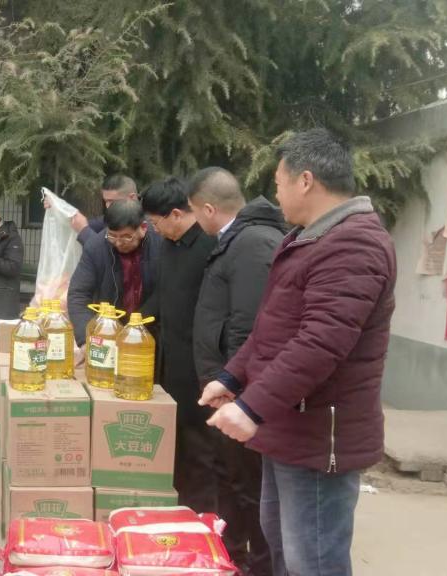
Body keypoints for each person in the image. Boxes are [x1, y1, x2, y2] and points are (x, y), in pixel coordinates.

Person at [200, 129, 396, 576]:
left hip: (318, 434)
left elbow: (321, 343)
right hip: (289, 424)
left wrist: (251, 407)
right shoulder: (309, 239)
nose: (276, 194)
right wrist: (231, 378)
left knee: (314, 560)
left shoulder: (354, 245)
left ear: (305, 180)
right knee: (284, 549)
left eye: (278, 182)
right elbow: (271, 329)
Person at [188, 167, 284, 576]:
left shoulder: (252, 243)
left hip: (242, 393)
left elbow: (251, 326)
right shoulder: (237, 240)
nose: (196, 222)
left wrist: (235, 383)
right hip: (228, 388)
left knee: (252, 486)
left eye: (195, 212)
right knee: (232, 478)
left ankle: (259, 564)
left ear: (209, 209)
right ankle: (233, 555)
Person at [141, 176, 219, 514]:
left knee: (200, 445)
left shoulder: (209, 245)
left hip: (200, 365)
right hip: (171, 360)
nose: (155, 231)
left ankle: (201, 516)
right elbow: (162, 296)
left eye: (155, 223)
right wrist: (134, 322)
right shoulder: (170, 246)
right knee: (177, 441)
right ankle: (178, 507)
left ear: (175, 214)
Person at [68, 199, 161, 347]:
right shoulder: (96, 247)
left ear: (143, 228)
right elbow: (78, 294)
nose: (118, 243)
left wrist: (136, 327)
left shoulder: (160, 242)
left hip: (151, 335)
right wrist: (86, 340)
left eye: (126, 237)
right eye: (112, 236)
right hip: (108, 333)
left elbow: (166, 290)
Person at [44, 174, 139, 246]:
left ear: (132, 198)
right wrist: (59, 207)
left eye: (112, 201)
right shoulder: (110, 220)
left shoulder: (142, 226)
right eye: (106, 201)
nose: (108, 206)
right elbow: (80, 223)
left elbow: (107, 256)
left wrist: (84, 231)